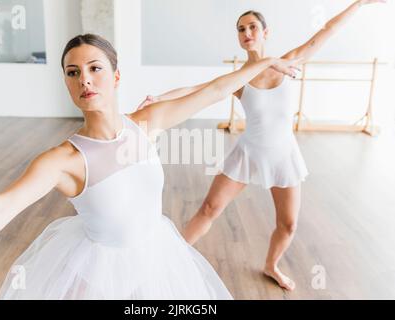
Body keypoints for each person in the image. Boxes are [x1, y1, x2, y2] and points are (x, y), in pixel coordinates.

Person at [0, 34, 298, 299]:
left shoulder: (145, 124)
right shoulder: (64, 161)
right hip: (101, 274)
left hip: (158, 254)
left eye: (95, 68)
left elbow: (217, 89)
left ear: (115, 77)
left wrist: (264, 63)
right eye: (73, 72)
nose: (84, 79)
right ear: (67, 83)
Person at [140, 0, 386, 291]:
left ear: (265, 32)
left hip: (283, 156)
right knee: (208, 208)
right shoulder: (240, 78)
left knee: (288, 225)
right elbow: (197, 90)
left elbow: (327, 30)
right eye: (241, 29)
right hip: (248, 153)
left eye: (252, 27)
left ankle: (271, 265)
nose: (247, 32)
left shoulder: (288, 63)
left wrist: (360, 3)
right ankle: (168, 258)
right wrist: (158, 99)